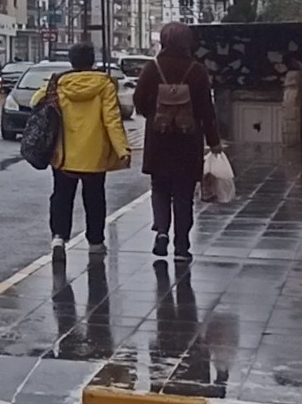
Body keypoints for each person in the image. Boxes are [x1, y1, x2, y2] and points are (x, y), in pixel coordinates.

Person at [31, 41, 131, 257]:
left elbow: (35, 101)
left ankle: (59, 238)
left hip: (64, 154)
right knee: (95, 197)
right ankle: (95, 241)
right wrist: (122, 149)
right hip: (95, 155)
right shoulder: (105, 84)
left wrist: (48, 91)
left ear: (72, 61)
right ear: (93, 61)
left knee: (61, 195)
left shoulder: (59, 83)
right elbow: (111, 120)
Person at [133, 22, 221, 262]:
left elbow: (139, 101)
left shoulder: (152, 68)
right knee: (184, 193)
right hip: (188, 140)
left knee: (160, 188)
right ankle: (182, 244)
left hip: (159, 139)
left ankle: (161, 232)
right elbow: (206, 110)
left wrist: (153, 112)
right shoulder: (197, 70)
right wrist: (214, 141)